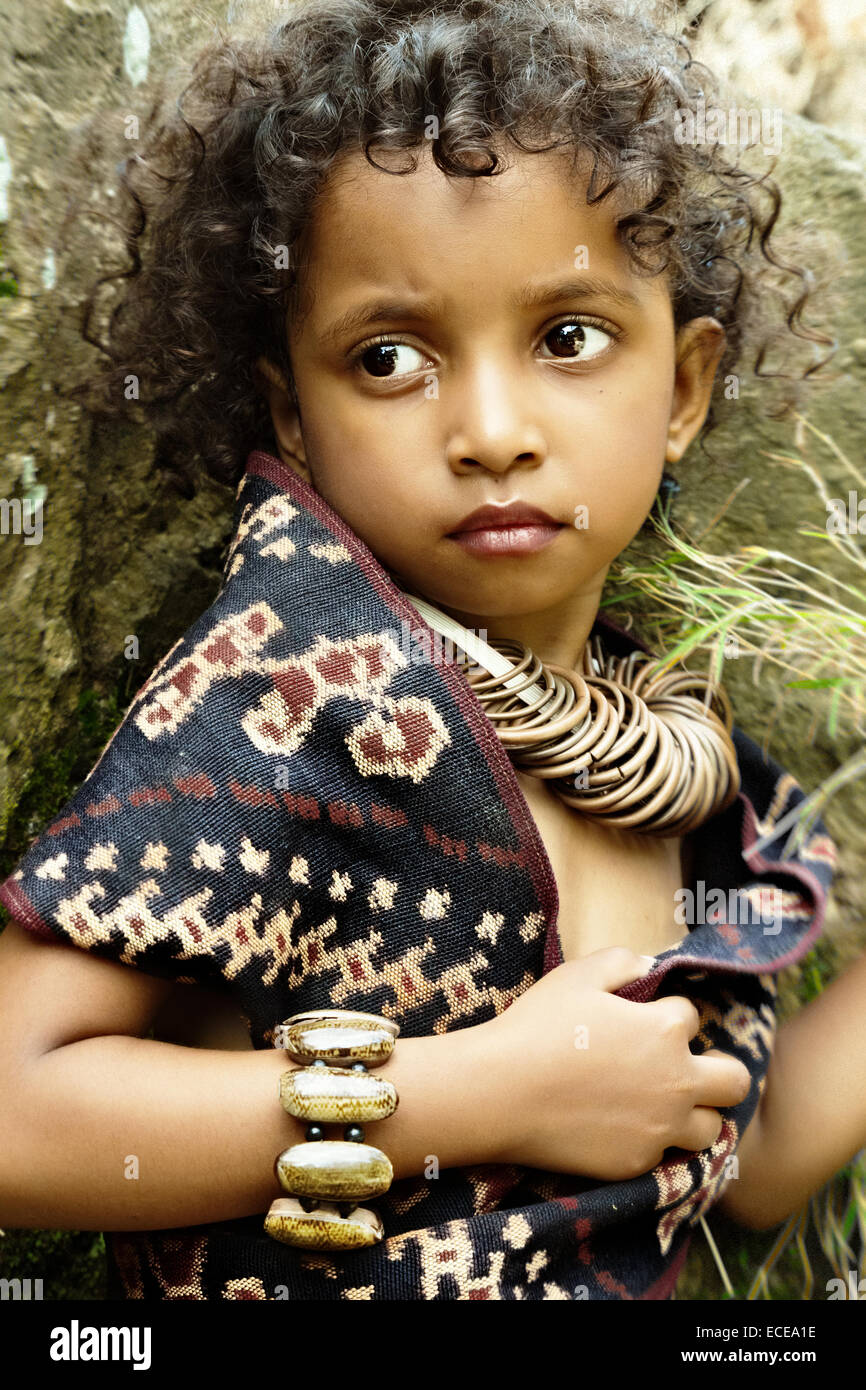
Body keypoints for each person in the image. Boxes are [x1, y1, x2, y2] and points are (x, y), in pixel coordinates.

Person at [0, 0, 856, 1301]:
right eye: (389, 358)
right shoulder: (291, 699)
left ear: (681, 389)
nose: (492, 429)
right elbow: (13, 1117)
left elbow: (740, 1163)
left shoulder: (693, 780)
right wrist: (475, 1093)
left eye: (569, 337)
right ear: (292, 404)